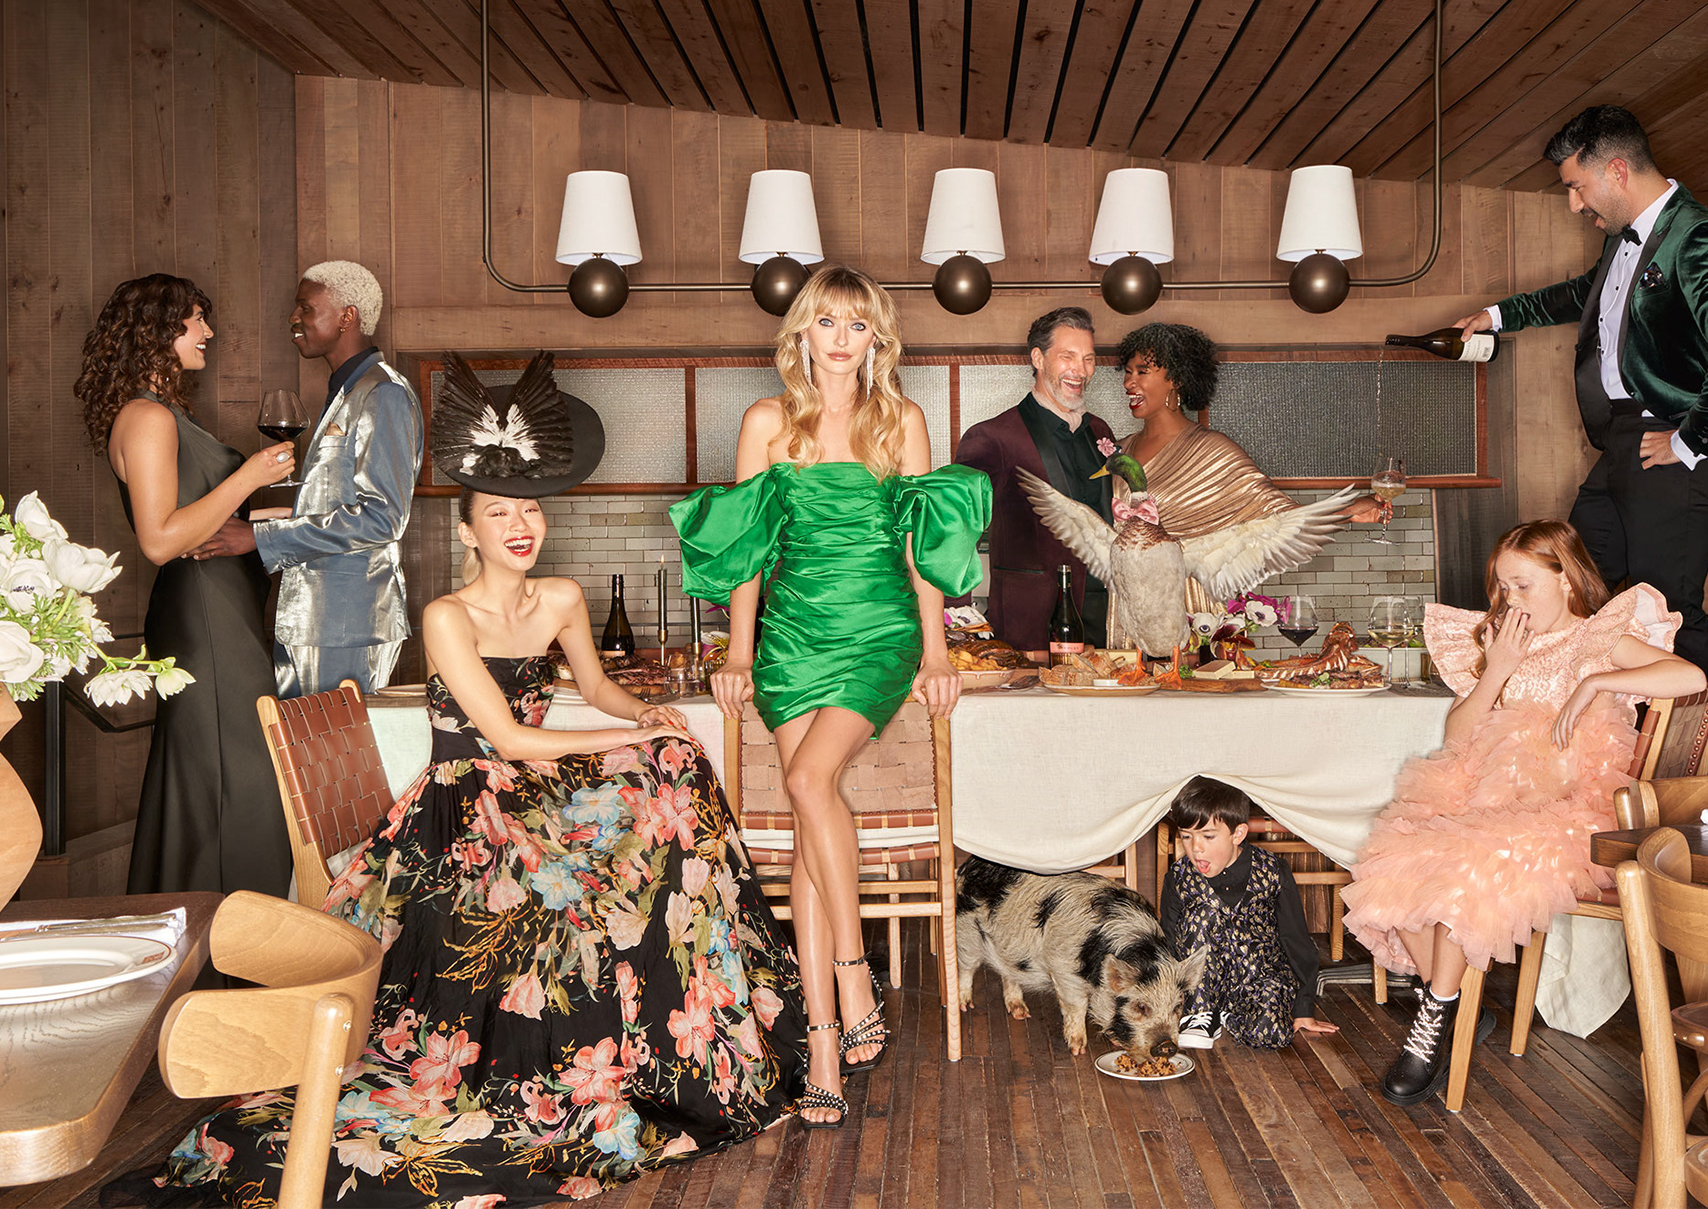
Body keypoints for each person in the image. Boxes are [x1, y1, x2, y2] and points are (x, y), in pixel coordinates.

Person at [137, 355, 807, 1204]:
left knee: (678, 767)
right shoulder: (446, 616)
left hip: (533, 795)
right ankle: (578, 1062)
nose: (520, 525)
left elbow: (596, 688)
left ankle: (691, 1042)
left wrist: (644, 714)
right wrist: (627, 738)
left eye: (528, 509)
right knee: (567, 895)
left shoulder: (560, 598)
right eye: (498, 513)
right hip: (463, 808)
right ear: (468, 532)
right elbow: (510, 738)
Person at [672, 264, 990, 1130]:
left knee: (811, 781)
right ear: (801, 335)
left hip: (878, 632)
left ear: (876, 338)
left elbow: (925, 548)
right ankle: (822, 1049)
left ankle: (855, 975)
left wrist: (935, 651)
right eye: (827, 323)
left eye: (857, 324)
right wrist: (739, 651)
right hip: (790, 639)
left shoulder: (902, 421)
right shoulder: (766, 424)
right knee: (812, 838)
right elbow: (746, 549)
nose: (842, 339)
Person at [1341, 519, 1706, 1107]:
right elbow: (1458, 737)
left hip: (1571, 811)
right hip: (1491, 800)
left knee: (1462, 872)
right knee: (1393, 860)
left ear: (1566, 580)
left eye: (1523, 585)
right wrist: (1498, 668)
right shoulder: (1502, 642)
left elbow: (1690, 676)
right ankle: (1451, 1001)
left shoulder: (1594, 639)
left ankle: (1432, 1026)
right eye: (1503, 587)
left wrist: (1595, 683)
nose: (1511, 600)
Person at [1450, 105, 1708, 676]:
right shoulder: (1623, 240)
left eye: (1577, 187)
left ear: (1617, 171)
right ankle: (1589, 717)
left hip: (1672, 447)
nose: (1575, 204)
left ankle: (1690, 733)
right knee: (1576, 587)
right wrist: (1496, 316)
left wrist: (1689, 441)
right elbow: (1585, 295)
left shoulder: (1698, 237)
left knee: (1667, 609)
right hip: (1620, 444)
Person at [72, 274, 297, 897]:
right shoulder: (146, 417)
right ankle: (235, 936)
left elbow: (210, 519)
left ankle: (209, 926)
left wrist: (297, 520)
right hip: (204, 615)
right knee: (240, 778)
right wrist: (250, 475)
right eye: (197, 319)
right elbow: (160, 539)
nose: (209, 332)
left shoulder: (165, 414)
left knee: (218, 778)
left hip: (222, 608)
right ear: (158, 329)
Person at [193, 260, 425, 697]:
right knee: (300, 740)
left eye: (305, 307)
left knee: (337, 742)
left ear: (347, 316)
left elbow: (382, 518)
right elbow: (333, 501)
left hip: (347, 625)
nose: (293, 318)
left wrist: (260, 539)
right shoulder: (346, 391)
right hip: (313, 621)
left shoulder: (384, 393)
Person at [1116, 322, 1383, 611]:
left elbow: (1280, 517)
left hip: (1185, 608)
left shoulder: (1212, 451)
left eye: (1142, 372)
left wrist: (1350, 512)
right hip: (1123, 604)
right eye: (1128, 372)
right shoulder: (1119, 450)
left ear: (1176, 379)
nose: (1129, 383)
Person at [952, 306, 1115, 654]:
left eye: (1088, 359)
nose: (1081, 370)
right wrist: (957, 620)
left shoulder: (1100, 431)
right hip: (1027, 629)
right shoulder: (993, 437)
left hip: (1100, 624)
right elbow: (955, 529)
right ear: (1038, 359)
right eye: (1068, 356)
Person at [1160, 778, 1337, 1052]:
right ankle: (1201, 1012)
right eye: (1186, 836)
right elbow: (1169, 942)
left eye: (1208, 836)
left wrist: (1303, 1008)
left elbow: (1296, 940)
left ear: (1238, 834)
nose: (1196, 848)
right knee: (1202, 913)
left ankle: (1227, 1014)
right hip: (1201, 983)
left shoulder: (1273, 870)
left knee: (1271, 1034)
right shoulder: (1179, 876)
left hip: (1260, 975)